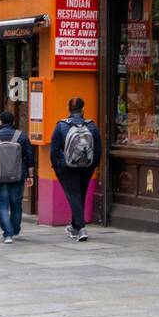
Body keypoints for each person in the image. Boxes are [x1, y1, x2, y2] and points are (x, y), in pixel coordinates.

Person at [51, 96, 103, 242]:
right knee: (80, 195)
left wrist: (59, 167)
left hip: (67, 167)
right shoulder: (92, 126)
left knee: (74, 195)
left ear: (68, 109)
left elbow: (54, 150)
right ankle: (74, 226)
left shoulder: (61, 126)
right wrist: (92, 166)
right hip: (86, 167)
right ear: (83, 109)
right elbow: (98, 150)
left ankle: (81, 228)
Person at [0, 111, 35, 244]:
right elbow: (30, 158)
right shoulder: (22, 137)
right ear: (13, 122)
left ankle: (8, 234)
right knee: (16, 205)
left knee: (2, 206)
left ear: (0, 121)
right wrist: (30, 175)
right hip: (17, 177)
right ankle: (15, 229)